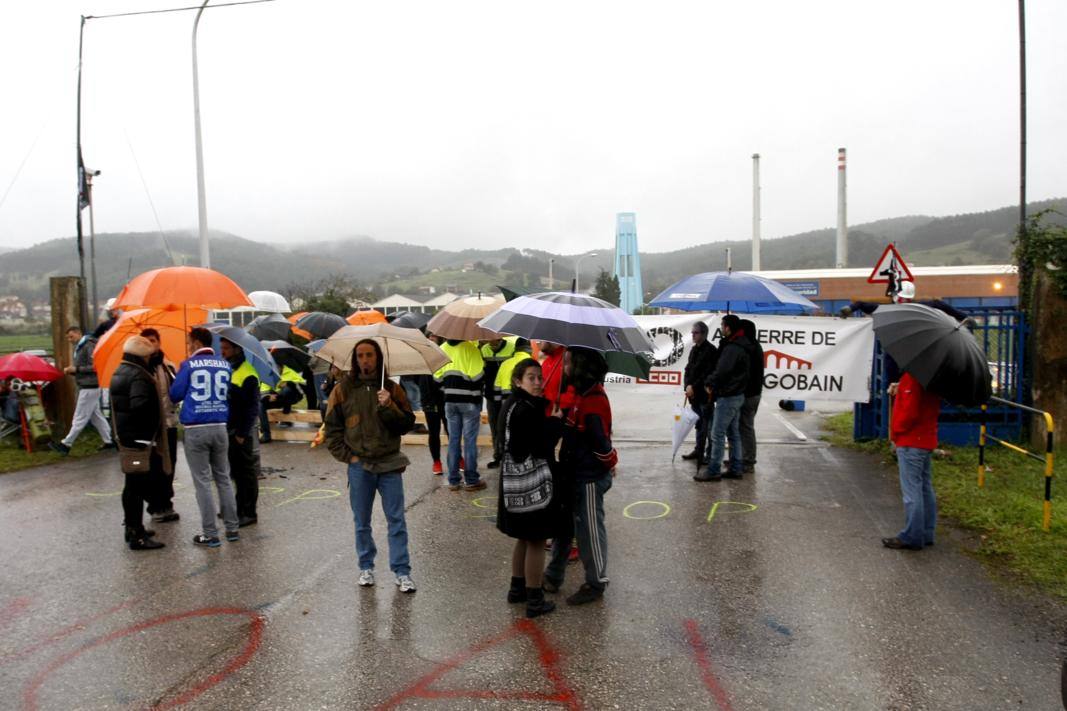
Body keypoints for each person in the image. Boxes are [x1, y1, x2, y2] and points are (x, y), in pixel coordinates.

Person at [324, 339, 417, 593]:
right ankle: (366, 567)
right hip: (360, 466)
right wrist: (350, 458)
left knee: (396, 520)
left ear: (379, 358)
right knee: (361, 521)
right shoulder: (342, 390)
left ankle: (402, 571)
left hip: (389, 464)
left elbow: (407, 424)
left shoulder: (393, 389)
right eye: (361, 355)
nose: (365, 360)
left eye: (370, 355)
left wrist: (389, 406)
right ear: (355, 359)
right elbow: (332, 431)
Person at [544, 347, 617, 606]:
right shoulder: (579, 395)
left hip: (588, 477)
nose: (564, 368)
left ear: (580, 367)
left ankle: (596, 582)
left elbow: (600, 442)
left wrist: (610, 462)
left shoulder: (592, 400)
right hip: (573, 473)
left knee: (589, 532)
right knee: (564, 528)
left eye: (567, 363)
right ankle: (553, 576)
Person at [497, 358, 563, 618]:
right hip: (530, 483)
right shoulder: (527, 409)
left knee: (523, 537)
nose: (537, 382)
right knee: (536, 538)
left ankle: (517, 589)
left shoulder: (513, 403)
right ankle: (534, 598)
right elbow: (537, 446)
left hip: (513, 482)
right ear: (517, 381)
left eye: (539, 377)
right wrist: (556, 423)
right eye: (531, 378)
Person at [170, 327, 240, 548]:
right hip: (220, 425)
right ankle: (232, 528)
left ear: (197, 343)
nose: (188, 346)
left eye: (190, 342)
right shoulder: (225, 365)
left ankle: (210, 533)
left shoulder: (188, 365)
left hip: (196, 427)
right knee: (224, 478)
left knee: (202, 482)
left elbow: (175, 394)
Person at [109, 336, 167, 551]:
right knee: (136, 486)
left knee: (132, 485)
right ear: (143, 356)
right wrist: (148, 433)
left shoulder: (121, 370)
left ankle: (133, 527)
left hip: (126, 436)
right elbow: (140, 405)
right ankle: (136, 534)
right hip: (138, 439)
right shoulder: (138, 375)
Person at [882, 373, 941, 551]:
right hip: (926, 438)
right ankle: (926, 532)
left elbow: (909, 413)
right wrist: (900, 387)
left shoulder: (913, 378)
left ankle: (912, 536)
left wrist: (895, 433)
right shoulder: (933, 379)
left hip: (911, 441)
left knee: (911, 490)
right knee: (924, 487)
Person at [696, 314, 750, 482]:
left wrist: (710, 381)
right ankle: (736, 467)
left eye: (722, 325)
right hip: (737, 394)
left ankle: (713, 470)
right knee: (733, 433)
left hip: (728, 396)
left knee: (717, 434)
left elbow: (722, 370)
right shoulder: (739, 345)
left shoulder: (733, 348)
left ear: (728, 328)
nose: (721, 328)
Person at [50, 325, 116, 455]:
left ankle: (66, 444)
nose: (70, 340)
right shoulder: (82, 346)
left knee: (79, 417)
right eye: (68, 338)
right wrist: (73, 371)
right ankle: (109, 441)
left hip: (89, 386)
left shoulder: (88, 345)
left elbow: (96, 367)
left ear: (78, 333)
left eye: (71, 336)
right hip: (90, 385)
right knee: (96, 416)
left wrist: (76, 369)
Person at [434, 338, 486, 491]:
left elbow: (437, 378)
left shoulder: (441, 349)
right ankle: (471, 480)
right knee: (469, 440)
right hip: (470, 400)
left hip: (450, 401)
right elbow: (477, 377)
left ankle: (453, 480)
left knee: (453, 440)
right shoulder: (471, 349)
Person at [140, 328, 180, 523]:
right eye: (146, 341)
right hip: (151, 427)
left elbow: (176, 393)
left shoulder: (168, 366)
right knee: (154, 467)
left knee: (170, 465)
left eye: (153, 340)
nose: (151, 344)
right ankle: (155, 505)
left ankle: (167, 502)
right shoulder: (140, 368)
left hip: (169, 423)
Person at [221, 337, 260, 527]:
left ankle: (249, 512)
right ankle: (238, 508)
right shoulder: (228, 368)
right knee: (235, 472)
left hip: (240, 431)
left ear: (237, 349)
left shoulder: (247, 373)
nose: (223, 352)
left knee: (246, 473)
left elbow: (252, 407)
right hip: (228, 428)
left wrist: (242, 433)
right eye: (222, 348)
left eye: (226, 348)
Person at [839, 281, 973, 324]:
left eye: (907, 299)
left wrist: (964, 317)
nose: (905, 302)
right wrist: (850, 308)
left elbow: (939, 304)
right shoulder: (886, 307)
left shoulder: (888, 308)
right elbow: (862, 304)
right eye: (904, 299)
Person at [680, 321, 718, 465]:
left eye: (695, 333)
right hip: (694, 396)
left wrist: (693, 387)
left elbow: (707, 374)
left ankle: (708, 455)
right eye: (692, 333)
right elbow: (688, 370)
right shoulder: (694, 349)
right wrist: (687, 386)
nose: (693, 335)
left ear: (703, 334)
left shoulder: (711, 351)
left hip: (705, 395)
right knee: (698, 424)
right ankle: (698, 450)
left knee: (707, 427)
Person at [481, 335, 518, 469]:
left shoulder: (511, 348)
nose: (488, 338)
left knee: (508, 426)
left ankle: (510, 456)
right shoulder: (484, 349)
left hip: (506, 394)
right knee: (494, 426)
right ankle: (497, 456)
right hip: (491, 395)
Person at [417, 334, 448, 474]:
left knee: (451, 432)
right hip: (429, 401)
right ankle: (436, 462)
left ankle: (458, 458)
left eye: (435, 336)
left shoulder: (445, 354)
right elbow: (414, 378)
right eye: (429, 335)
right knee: (434, 433)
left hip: (445, 399)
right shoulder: (421, 355)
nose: (431, 338)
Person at [737, 319, 764, 475]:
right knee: (743, 427)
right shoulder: (755, 346)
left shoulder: (749, 348)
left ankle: (748, 461)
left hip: (749, 394)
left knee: (746, 428)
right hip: (754, 393)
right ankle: (742, 457)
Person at [258, 363, 306, 443]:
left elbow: (301, 392)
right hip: (276, 399)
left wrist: (289, 384)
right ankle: (266, 434)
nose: (274, 370)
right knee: (260, 404)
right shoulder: (267, 374)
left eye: (276, 367)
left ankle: (287, 409)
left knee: (287, 391)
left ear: (282, 366)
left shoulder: (290, 372)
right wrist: (268, 396)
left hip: (292, 397)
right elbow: (263, 392)